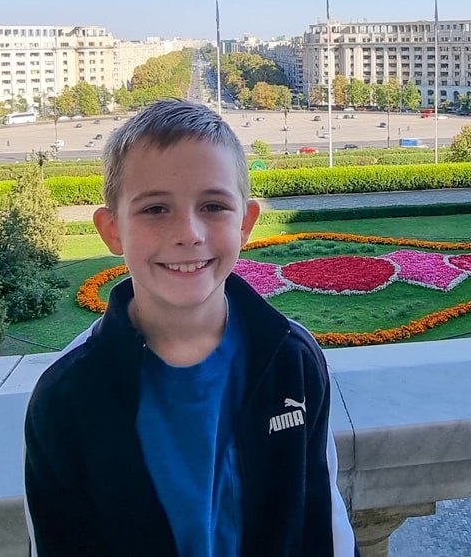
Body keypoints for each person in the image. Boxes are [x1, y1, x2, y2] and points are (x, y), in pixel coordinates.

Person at [24, 99, 357, 556]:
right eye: (156, 209)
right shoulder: (68, 395)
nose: (189, 233)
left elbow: (324, 516)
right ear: (112, 229)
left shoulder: (293, 358)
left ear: (245, 223)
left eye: (213, 205)